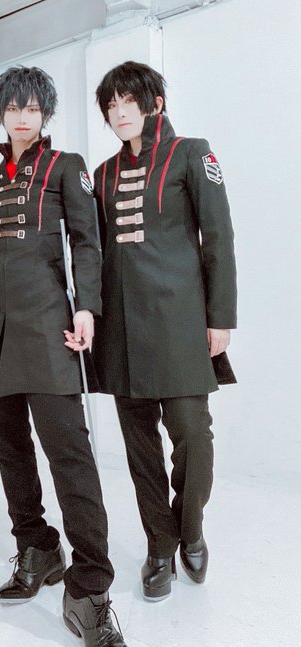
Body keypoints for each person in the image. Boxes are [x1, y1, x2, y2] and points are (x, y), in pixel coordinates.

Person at [0, 66, 135, 647]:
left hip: (49, 326)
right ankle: (36, 547)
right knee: (10, 450)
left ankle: (90, 592)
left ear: (46, 115)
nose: (23, 118)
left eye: (33, 109)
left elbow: (87, 240)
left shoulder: (65, 166)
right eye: (14, 108)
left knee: (71, 457)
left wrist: (86, 307)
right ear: (1, 114)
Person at [92, 61, 237, 602]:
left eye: (128, 100)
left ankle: (189, 528)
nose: (119, 112)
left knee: (193, 437)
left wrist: (220, 317)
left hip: (180, 323)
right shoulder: (102, 174)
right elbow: (90, 249)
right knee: (141, 451)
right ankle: (159, 546)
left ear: (155, 102)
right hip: (122, 329)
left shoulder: (192, 153)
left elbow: (218, 237)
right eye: (111, 105)